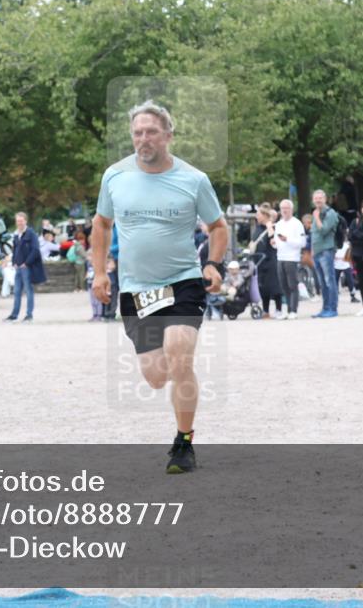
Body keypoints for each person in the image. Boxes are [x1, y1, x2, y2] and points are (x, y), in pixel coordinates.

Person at [90, 100, 227, 474]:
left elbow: (218, 226)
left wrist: (213, 264)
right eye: (137, 132)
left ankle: (183, 443)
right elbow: (101, 224)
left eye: (151, 131)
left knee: (180, 353)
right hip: (137, 289)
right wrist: (100, 272)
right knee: (155, 376)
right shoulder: (114, 177)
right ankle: (175, 397)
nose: (143, 138)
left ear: (168, 135)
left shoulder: (193, 179)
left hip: (183, 281)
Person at [5, 212, 46, 322]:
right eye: (18, 221)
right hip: (18, 267)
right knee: (16, 291)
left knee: (28, 291)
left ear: (25, 221)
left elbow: (35, 250)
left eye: (21, 221)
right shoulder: (16, 234)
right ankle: (14, 315)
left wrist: (26, 263)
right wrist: (14, 262)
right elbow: (15, 250)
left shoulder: (31, 234)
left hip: (26, 267)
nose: (19, 223)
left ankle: (29, 315)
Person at [309, 189, 340, 318]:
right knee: (322, 282)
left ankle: (332, 308)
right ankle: (325, 308)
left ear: (325, 199)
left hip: (326, 250)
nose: (318, 200)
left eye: (320, 198)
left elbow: (324, 230)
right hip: (317, 252)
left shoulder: (330, 213)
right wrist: (312, 250)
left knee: (329, 280)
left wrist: (316, 217)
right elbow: (314, 233)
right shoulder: (316, 212)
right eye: (316, 198)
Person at [272, 199, 306, 319]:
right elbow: (277, 242)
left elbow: (302, 242)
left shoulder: (297, 224)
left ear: (292, 209)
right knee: (283, 285)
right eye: (282, 208)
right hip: (280, 257)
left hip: (292, 258)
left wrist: (287, 240)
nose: (284, 210)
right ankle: (287, 309)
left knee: (292, 284)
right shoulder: (279, 224)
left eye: (287, 208)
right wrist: (274, 243)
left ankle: (293, 310)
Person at [248, 206, 282, 318]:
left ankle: (278, 309)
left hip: (271, 260)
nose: (256, 217)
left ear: (265, 215)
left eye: (258, 214)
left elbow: (273, 241)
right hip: (260, 262)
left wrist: (269, 227)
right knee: (263, 287)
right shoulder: (258, 228)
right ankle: (266, 310)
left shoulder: (272, 227)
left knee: (275, 286)